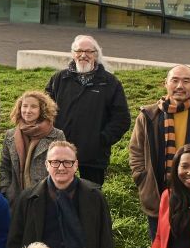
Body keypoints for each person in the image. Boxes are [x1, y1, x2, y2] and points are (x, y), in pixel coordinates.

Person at [130, 66, 190, 227]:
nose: (180, 86)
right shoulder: (148, 116)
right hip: (158, 197)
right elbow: (136, 152)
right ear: (165, 83)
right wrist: (142, 178)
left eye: (186, 81)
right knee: (160, 242)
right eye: (174, 80)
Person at [45, 35, 132, 187]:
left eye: (88, 51)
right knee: (58, 193)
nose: (83, 55)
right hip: (60, 154)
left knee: (91, 194)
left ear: (96, 54)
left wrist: (101, 140)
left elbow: (122, 118)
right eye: (79, 51)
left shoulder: (109, 82)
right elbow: (45, 110)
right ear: (73, 54)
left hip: (94, 156)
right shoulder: (59, 79)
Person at [0, 90, 64, 207]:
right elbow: (4, 166)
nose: (28, 110)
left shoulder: (56, 135)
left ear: (42, 109)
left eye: (33, 107)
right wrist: (5, 189)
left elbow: (62, 167)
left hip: (46, 199)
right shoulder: (10, 135)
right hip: (16, 199)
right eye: (25, 106)